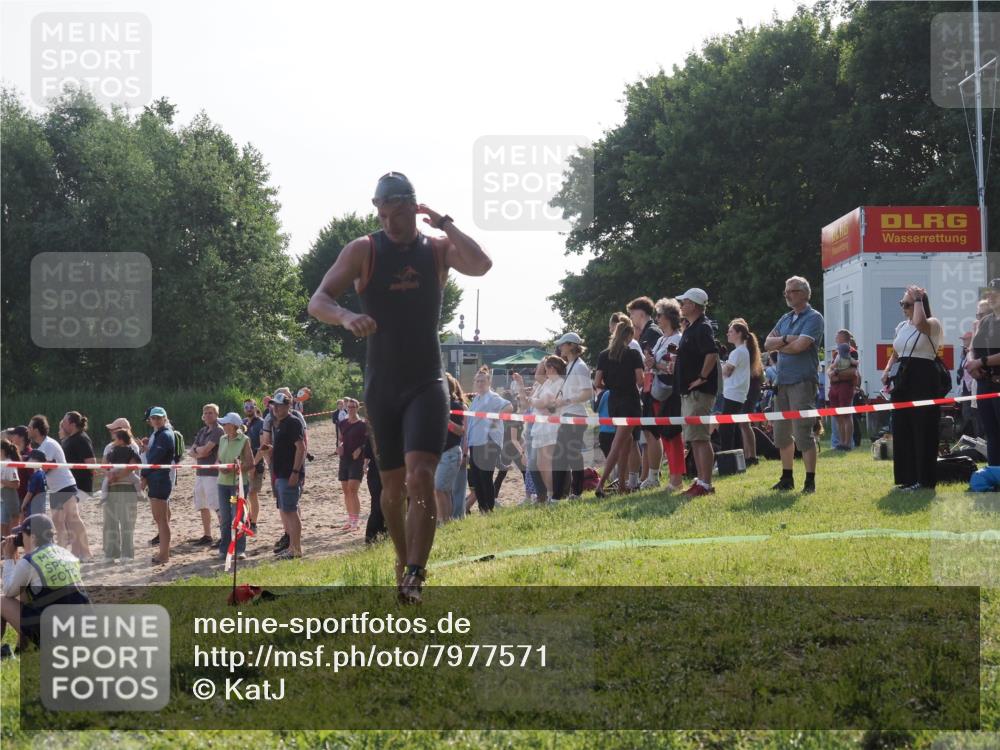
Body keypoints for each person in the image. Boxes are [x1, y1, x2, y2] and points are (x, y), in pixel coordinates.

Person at [307, 171, 493, 603]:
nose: (389, 222)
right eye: (382, 214)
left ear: (415, 207)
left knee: (421, 476)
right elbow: (319, 300)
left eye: (397, 213)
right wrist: (346, 317)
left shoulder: (438, 250)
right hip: (382, 384)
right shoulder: (364, 249)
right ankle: (401, 557)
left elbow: (482, 265)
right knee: (391, 489)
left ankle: (415, 571)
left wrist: (444, 222)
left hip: (428, 381)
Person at [763, 276, 825, 494]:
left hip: (802, 382)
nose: (787, 294)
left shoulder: (814, 318)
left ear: (804, 294)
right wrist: (788, 340)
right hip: (782, 383)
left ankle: (810, 481)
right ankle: (786, 477)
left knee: (803, 433)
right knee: (780, 434)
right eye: (786, 291)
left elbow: (801, 346)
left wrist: (782, 344)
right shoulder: (785, 318)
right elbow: (767, 343)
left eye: (792, 291)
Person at [881, 286, 944, 490]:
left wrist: (918, 299)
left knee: (922, 428)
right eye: (902, 304)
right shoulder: (901, 326)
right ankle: (906, 478)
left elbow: (920, 323)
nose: (903, 308)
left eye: (907, 304)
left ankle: (924, 480)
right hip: (904, 378)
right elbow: (896, 351)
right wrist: (888, 369)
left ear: (920, 304)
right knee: (902, 427)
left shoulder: (932, 324)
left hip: (924, 376)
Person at [1, 514, 89, 652]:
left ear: (33, 537)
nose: (21, 539)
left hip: (56, 635)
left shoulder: (30, 561)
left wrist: (8, 557)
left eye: (23, 535)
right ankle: (21, 648)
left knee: (2, 601)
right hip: (83, 630)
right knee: (25, 588)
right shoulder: (65, 553)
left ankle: (25, 645)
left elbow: (8, 591)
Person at [671, 289, 719, 497]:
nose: (681, 304)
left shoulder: (702, 328)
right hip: (690, 392)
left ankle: (705, 484)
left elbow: (712, 353)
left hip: (699, 391)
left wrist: (701, 377)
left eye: (685, 301)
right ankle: (701, 480)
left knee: (700, 438)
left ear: (694, 304)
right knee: (695, 438)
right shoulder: (692, 328)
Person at [593, 319, 644, 498]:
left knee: (626, 443)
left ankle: (622, 485)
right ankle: (600, 485)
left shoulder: (603, 355)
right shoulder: (633, 354)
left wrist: (612, 383)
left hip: (614, 401)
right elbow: (640, 380)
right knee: (618, 444)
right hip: (630, 400)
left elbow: (597, 382)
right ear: (629, 335)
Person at [27, 415, 90, 559]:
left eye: (30, 427)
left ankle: (86, 553)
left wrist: (33, 463)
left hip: (65, 485)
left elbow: (46, 468)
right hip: (55, 488)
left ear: (37, 429)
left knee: (73, 519)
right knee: (58, 523)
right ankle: (64, 554)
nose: (28, 429)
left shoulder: (48, 444)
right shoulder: (42, 446)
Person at [254, 391, 305, 559]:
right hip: (280, 472)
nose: (275, 408)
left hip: (289, 473)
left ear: (287, 406)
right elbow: (287, 447)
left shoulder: (292, 422)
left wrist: (295, 472)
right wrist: (271, 449)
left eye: (278, 405)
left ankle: (296, 549)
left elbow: (301, 448)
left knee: (291, 511)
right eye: (274, 405)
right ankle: (292, 546)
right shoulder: (280, 423)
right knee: (286, 510)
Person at [551, 333, 593, 499]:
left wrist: (566, 400)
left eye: (562, 344)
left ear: (570, 345)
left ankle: (575, 492)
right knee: (561, 457)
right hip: (568, 415)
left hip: (576, 416)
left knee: (571, 456)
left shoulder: (580, 366)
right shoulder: (570, 366)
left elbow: (588, 393)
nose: (560, 347)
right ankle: (560, 495)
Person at [467, 367, 514, 511]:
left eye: (482, 381)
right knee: (477, 479)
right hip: (475, 441)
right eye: (477, 381)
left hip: (488, 442)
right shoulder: (476, 398)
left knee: (485, 477)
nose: (480, 383)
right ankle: (483, 508)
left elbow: (509, 407)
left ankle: (488, 508)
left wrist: (496, 419)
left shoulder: (492, 397)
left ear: (489, 382)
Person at [720, 319, 764, 460]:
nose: (728, 334)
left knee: (726, 428)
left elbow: (726, 372)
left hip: (733, 393)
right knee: (732, 427)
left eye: (731, 331)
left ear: (739, 334)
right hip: (737, 393)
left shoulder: (737, 352)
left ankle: (727, 458)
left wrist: (720, 364)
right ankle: (740, 457)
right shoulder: (743, 351)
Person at [215, 412, 256, 561]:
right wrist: (220, 466)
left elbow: (250, 463)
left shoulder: (244, 440)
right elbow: (219, 459)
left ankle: (239, 549)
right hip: (222, 484)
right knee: (225, 518)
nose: (223, 426)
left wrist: (233, 468)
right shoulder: (222, 438)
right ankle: (224, 549)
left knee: (237, 517)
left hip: (237, 485)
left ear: (233, 425)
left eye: (225, 424)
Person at [529, 356, 568, 502]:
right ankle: (551, 494)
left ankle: (553, 494)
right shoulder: (548, 383)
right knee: (540, 463)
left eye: (546, 367)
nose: (545, 370)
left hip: (550, 425)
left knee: (547, 462)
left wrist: (532, 401)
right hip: (540, 425)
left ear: (552, 368)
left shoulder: (559, 383)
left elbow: (543, 403)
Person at [970, 279, 1000, 463]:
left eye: (995, 293)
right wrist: (973, 364)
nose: (990, 296)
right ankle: (995, 474)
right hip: (985, 384)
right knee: (991, 432)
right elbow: (974, 346)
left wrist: (981, 361)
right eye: (988, 293)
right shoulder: (986, 321)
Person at [140, 407, 174, 565]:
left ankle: (164, 554)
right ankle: (164, 552)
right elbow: (153, 456)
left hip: (159, 479)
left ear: (165, 418)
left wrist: (144, 477)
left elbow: (154, 460)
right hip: (158, 478)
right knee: (162, 518)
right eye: (154, 418)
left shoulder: (165, 434)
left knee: (161, 519)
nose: (156, 420)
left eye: (159, 417)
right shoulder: (160, 434)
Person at [103, 429, 141, 561]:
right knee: (114, 522)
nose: (113, 439)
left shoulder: (129, 449)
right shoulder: (113, 449)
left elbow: (132, 467)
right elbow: (105, 465)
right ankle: (113, 553)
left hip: (123, 487)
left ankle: (124, 554)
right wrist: (112, 476)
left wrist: (114, 477)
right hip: (116, 486)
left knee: (124, 522)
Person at [435, 374, 466, 524]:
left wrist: (444, 419)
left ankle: (444, 521)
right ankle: (445, 521)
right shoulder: (440, 405)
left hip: (451, 453)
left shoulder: (454, 406)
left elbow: (460, 430)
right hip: (441, 454)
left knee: (440, 489)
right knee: (443, 490)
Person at [190, 404, 223, 547]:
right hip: (200, 472)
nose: (208, 415)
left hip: (212, 474)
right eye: (206, 413)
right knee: (202, 504)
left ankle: (224, 535)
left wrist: (199, 451)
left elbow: (205, 451)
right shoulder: (203, 430)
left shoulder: (218, 430)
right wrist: (199, 450)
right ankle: (207, 535)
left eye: (211, 413)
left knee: (216, 505)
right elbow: (192, 451)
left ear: (216, 415)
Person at [337, 399, 368, 532]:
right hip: (345, 459)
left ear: (358, 408)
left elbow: (368, 442)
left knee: (353, 489)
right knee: (346, 490)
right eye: (348, 407)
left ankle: (356, 520)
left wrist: (360, 449)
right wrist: (340, 447)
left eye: (353, 407)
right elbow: (340, 439)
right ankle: (350, 519)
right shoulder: (342, 423)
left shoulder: (363, 424)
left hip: (357, 459)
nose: (350, 409)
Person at [827, 329, 860, 452]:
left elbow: (852, 372)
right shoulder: (836, 353)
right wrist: (832, 373)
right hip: (834, 388)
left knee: (846, 415)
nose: (835, 336)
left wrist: (836, 374)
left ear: (843, 337)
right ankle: (840, 442)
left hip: (846, 387)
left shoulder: (852, 352)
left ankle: (847, 443)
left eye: (837, 335)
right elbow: (830, 370)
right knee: (838, 416)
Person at [243, 399, 265, 531]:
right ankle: (247, 520)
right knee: (243, 494)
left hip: (257, 462)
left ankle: (254, 523)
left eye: (251, 406)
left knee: (252, 493)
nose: (249, 409)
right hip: (244, 463)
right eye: (246, 407)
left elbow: (263, 447)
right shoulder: (243, 423)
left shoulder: (261, 423)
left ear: (255, 407)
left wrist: (253, 465)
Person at [1, 440, 21, 539]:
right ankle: (4, 553)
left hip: (9, 498)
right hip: (2, 498)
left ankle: (12, 554)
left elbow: (16, 484)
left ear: (2, 450)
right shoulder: (2, 463)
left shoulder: (9, 464)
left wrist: (2, 481)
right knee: (3, 530)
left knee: (11, 531)